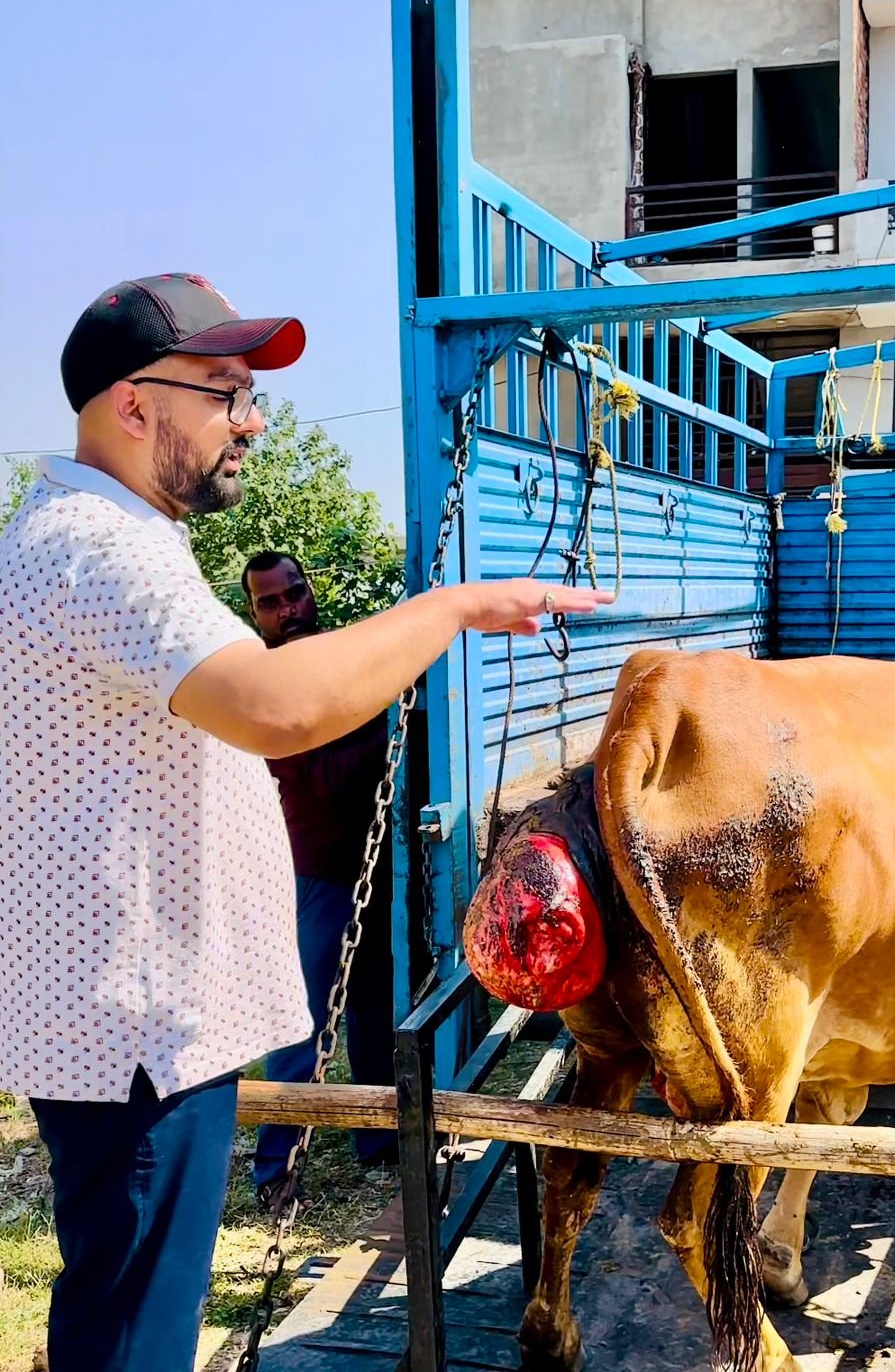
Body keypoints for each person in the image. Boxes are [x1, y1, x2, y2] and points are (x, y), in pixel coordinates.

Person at [0, 271, 611, 1372]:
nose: (252, 421)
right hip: (142, 1038)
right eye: (225, 391)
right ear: (134, 403)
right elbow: (275, 705)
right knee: (133, 1342)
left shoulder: (93, 535)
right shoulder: (103, 546)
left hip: (131, 1029)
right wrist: (458, 606)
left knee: (116, 1314)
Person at [242, 551, 396, 1207]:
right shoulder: (261, 683)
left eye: (294, 594)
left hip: (381, 862)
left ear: (311, 591)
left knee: (373, 1012)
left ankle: (379, 1140)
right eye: (271, 603)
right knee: (304, 1019)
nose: (288, 610)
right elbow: (317, 776)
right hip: (318, 875)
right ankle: (275, 1168)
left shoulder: (343, 657)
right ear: (256, 615)